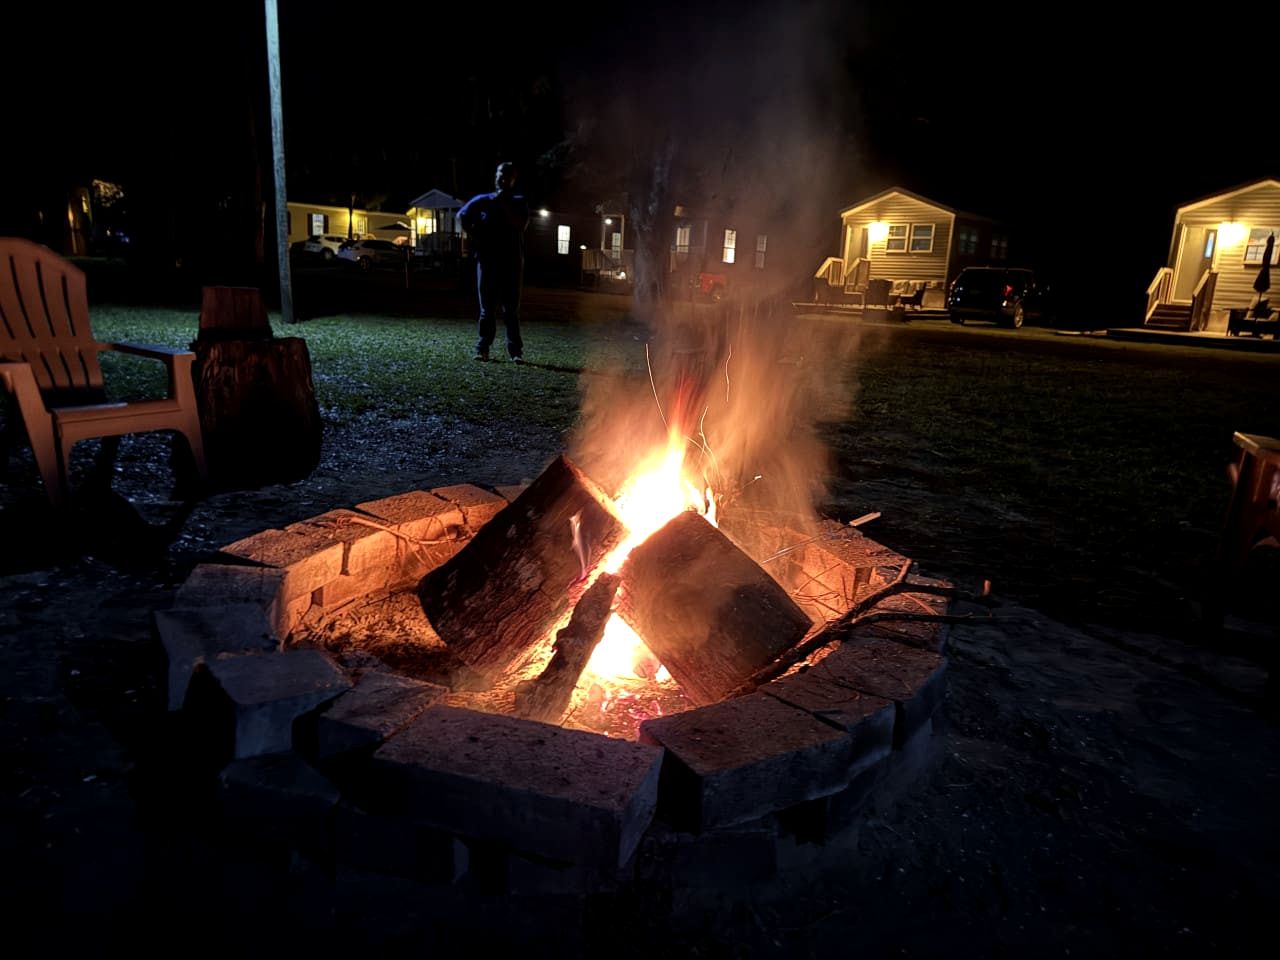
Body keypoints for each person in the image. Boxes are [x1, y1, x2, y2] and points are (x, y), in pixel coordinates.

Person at [458, 162, 530, 362]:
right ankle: (483, 348)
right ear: (495, 176)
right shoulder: (482, 200)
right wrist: (473, 234)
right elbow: (461, 216)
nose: (502, 178)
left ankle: (515, 352)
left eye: (507, 176)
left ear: (513, 180)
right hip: (487, 262)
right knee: (486, 309)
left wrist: (503, 204)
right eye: (500, 174)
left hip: (512, 263)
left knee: (511, 310)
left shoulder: (519, 201)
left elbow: (520, 225)